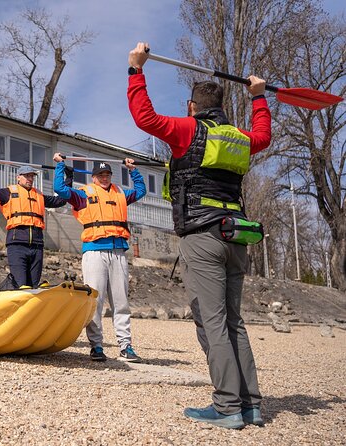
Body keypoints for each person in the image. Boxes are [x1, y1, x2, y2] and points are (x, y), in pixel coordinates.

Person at [127, 42, 271, 429]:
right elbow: (263, 135)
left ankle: (227, 407)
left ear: (192, 106)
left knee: (213, 322)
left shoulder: (187, 129)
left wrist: (135, 70)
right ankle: (250, 404)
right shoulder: (240, 138)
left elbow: (145, 118)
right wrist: (258, 98)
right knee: (235, 322)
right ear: (223, 107)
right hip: (236, 236)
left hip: (202, 236)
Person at [53, 154, 146, 362]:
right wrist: (60, 165)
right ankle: (96, 346)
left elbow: (141, 190)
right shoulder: (83, 194)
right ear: (93, 177)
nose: (104, 178)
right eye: (100, 175)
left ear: (111, 176)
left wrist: (133, 170)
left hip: (119, 251)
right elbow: (60, 189)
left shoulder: (121, 193)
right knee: (95, 301)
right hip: (94, 252)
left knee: (121, 302)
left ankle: (126, 346)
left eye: (107, 174)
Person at [0, 153, 67, 288]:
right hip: (17, 245)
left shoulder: (39, 195)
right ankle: (4, 290)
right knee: (20, 284)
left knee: (34, 286)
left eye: (32, 176)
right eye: (27, 176)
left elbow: (62, 200)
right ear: (18, 177)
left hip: (37, 246)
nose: (30, 179)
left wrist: (68, 177)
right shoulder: (8, 193)